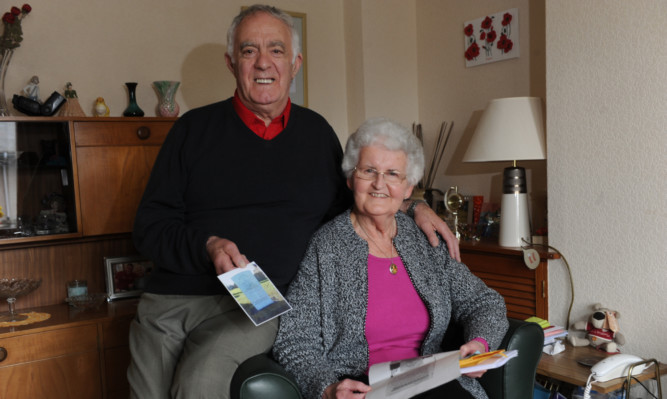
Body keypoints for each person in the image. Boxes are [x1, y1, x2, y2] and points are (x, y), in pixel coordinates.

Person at [128, 5, 460, 399]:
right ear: (231, 62)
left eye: (277, 50)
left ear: (296, 63)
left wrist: (415, 206)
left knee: (201, 376)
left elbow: (357, 200)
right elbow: (149, 227)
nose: (263, 62)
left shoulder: (317, 135)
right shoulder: (191, 130)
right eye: (249, 51)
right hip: (175, 298)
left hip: (262, 298)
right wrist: (208, 245)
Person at [273, 118, 509, 399]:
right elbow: (294, 339)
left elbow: (484, 301)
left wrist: (480, 342)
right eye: (368, 170)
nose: (379, 184)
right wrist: (326, 387)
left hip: (433, 380)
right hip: (365, 386)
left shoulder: (423, 238)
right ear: (351, 178)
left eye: (393, 173)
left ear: (408, 188)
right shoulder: (326, 248)